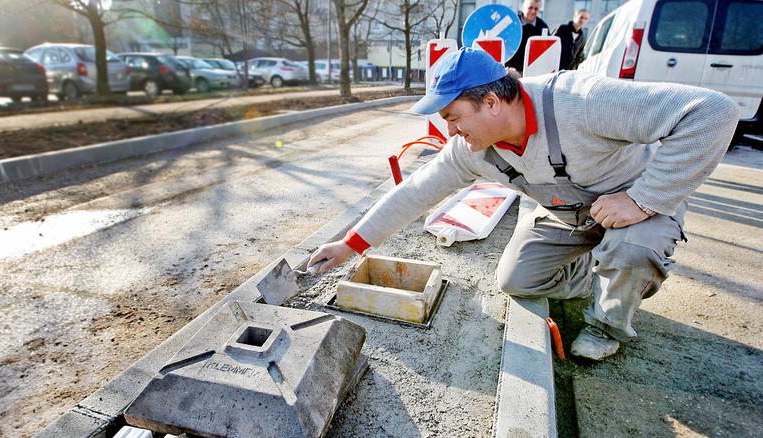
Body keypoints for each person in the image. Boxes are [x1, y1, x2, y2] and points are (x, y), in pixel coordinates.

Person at [308, 48, 737, 361]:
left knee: (632, 251)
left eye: (454, 117)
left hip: (634, 208)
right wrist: (350, 245)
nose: (451, 131)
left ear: (491, 101)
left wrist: (644, 199)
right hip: (567, 215)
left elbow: (713, 112)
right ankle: (601, 271)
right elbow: (417, 190)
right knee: (516, 278)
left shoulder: (581, 102)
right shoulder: (472, 149)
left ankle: (608, 323)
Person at [506, 0, 549, 73]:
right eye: (530, 8)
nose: (533, 11)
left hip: (533, 71)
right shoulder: (512, 23)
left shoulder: (543, 27)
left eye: (536, 9)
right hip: (511, 70)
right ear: (523, 8)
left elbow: (546, 51)